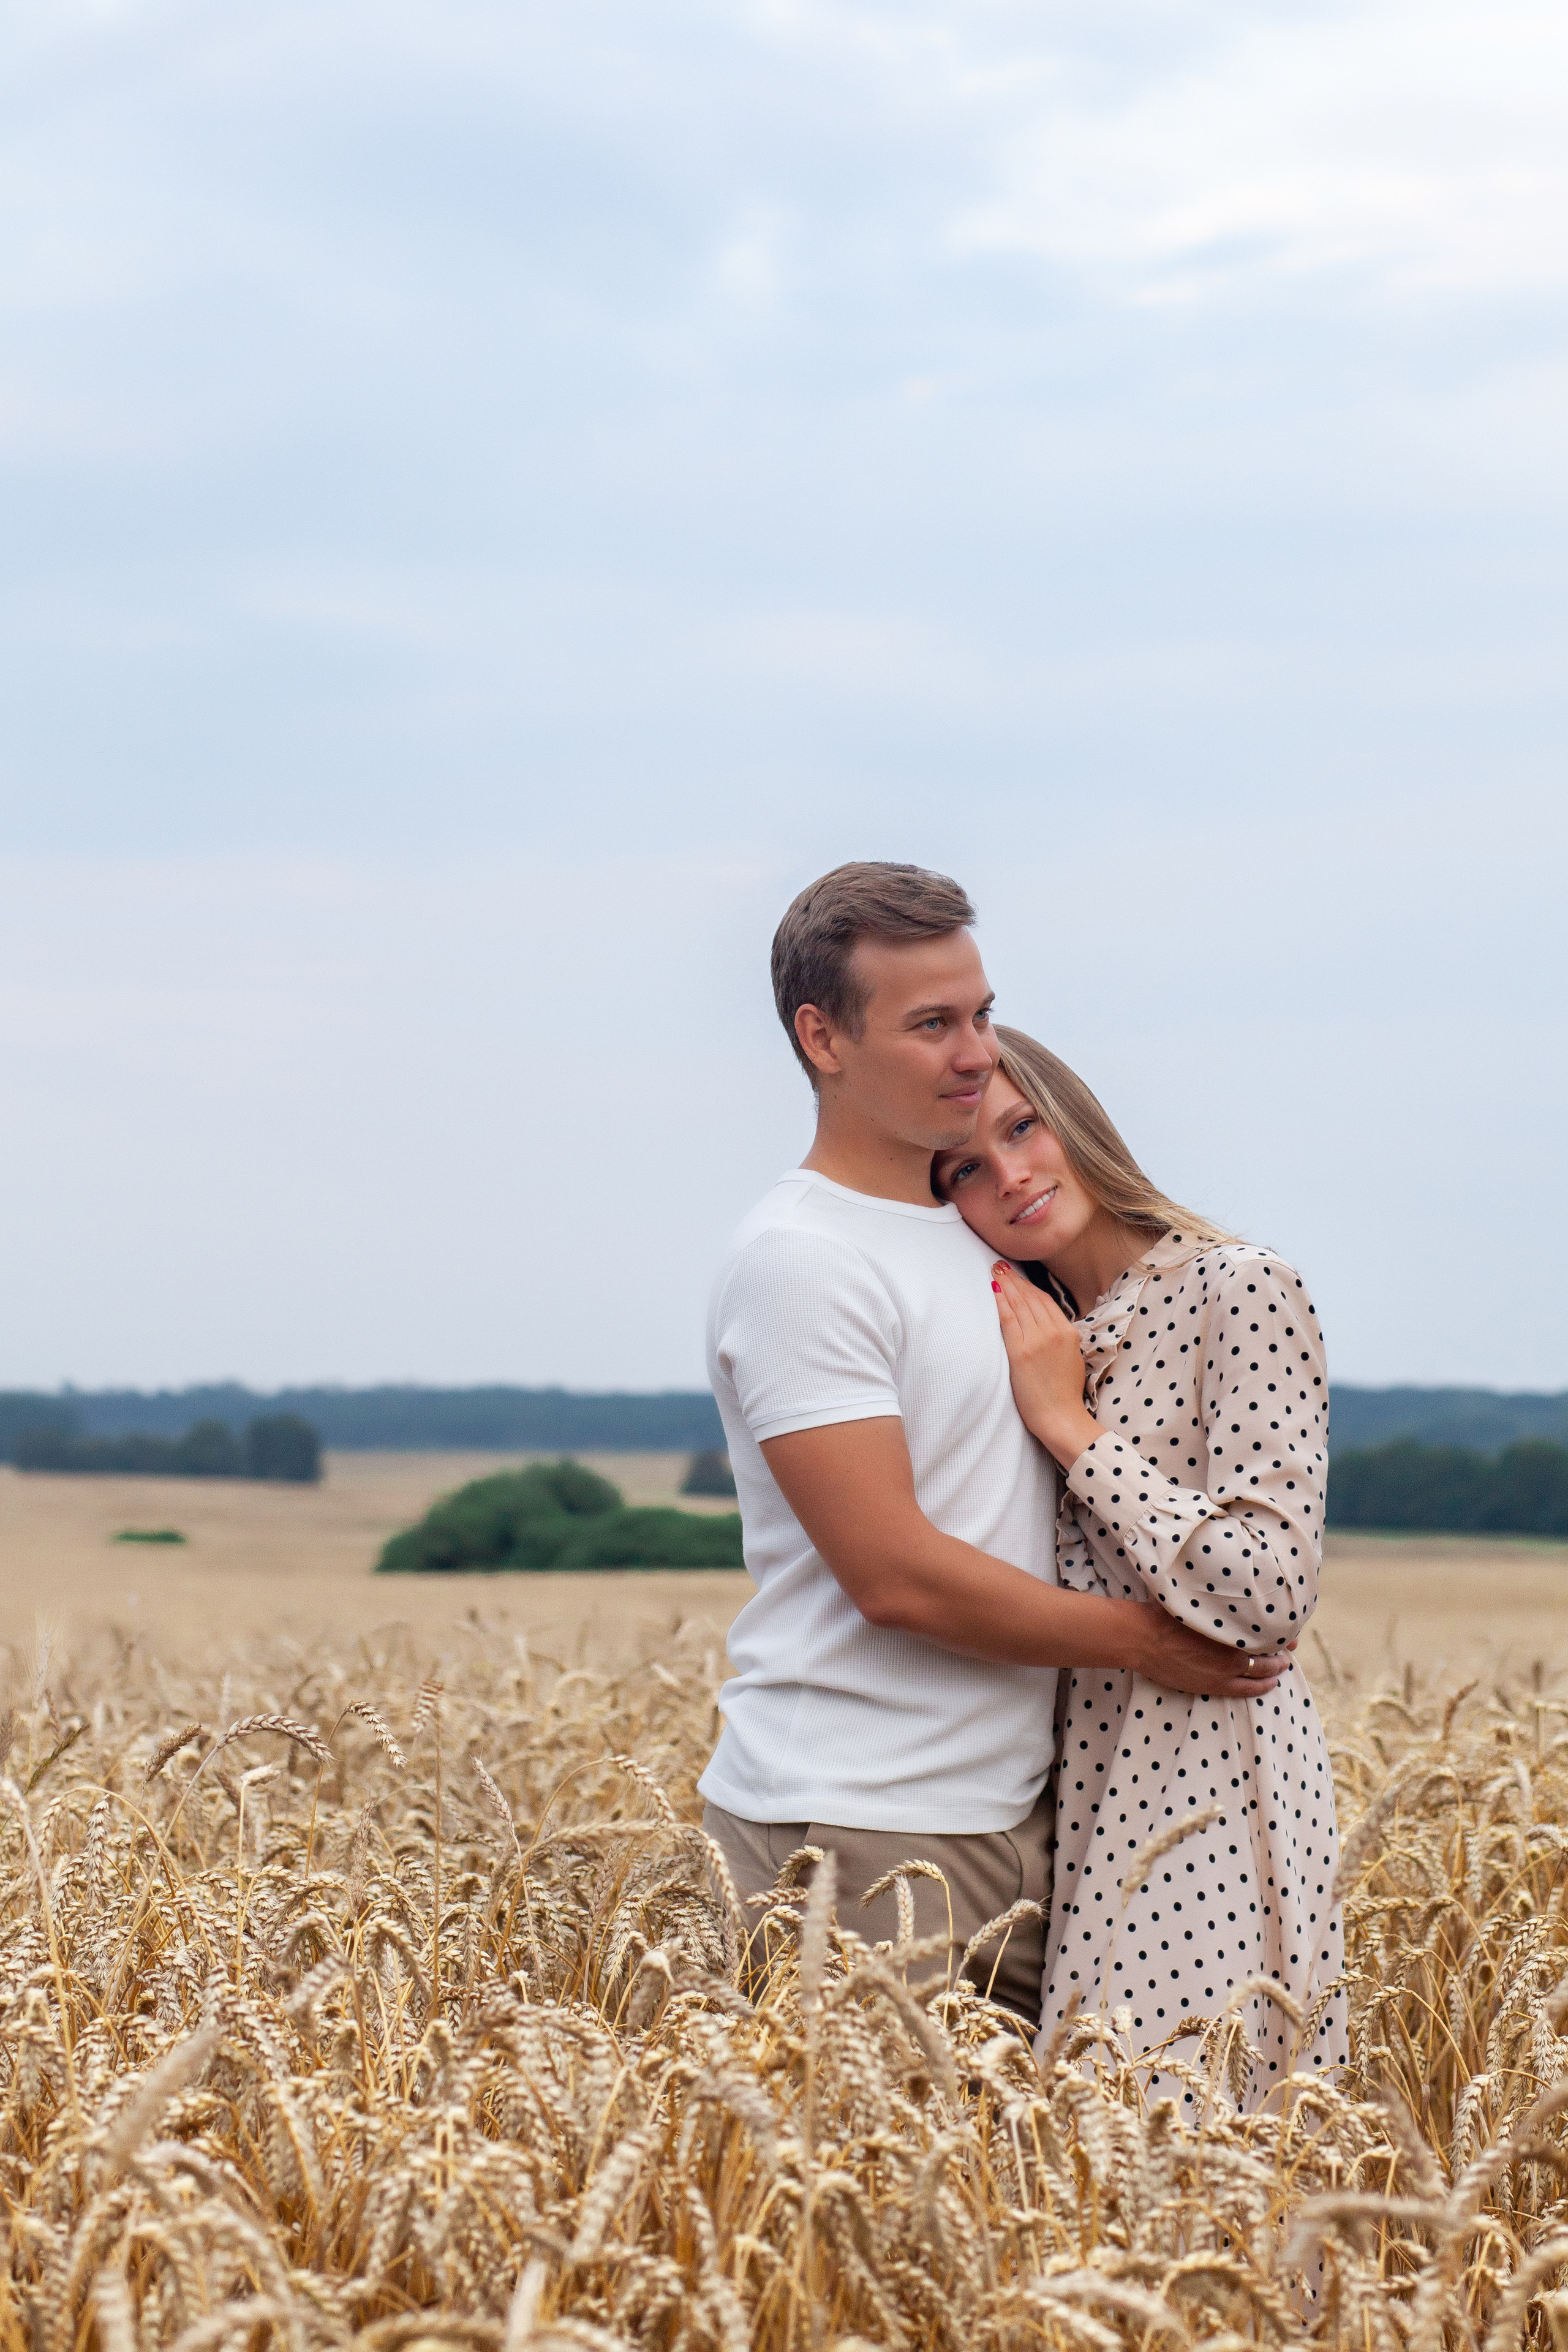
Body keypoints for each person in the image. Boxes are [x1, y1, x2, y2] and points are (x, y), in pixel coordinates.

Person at [699, 862, 1291, 2027]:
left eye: (978, 1012)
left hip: (1028, 1822)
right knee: (859, 2200)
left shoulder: (972, 1230)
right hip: (858, 1824)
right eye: (931, 1025)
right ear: (822, 1036)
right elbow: (893, 1574)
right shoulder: (804, 1256)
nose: (975, 1051)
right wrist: (1147, 1643)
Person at [932, 1025, 1346, 2097]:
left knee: (1204, 2153)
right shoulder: (1033, 1330)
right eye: (966, 1170)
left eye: (1023, 1128)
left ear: (1075, 1118)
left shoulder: (1239, 1289)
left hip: (1212, 1781)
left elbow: (1267, 1592)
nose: (1011, 1175)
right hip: (1068, 1800)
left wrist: (1071, 1430)